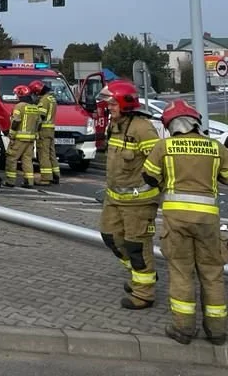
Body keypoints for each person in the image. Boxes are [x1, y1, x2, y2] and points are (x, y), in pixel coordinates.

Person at [142, 100, 228, 345]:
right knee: (212, 272)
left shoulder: (164, 146)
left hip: (176, 221)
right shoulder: (215, 147)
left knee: (181, 272)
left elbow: (149, 176)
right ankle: (216, 331)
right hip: (208, 221)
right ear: (196, 122)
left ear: (170, 125)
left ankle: (183, 329)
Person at [98, 79, 161, 310]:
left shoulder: (142, 129)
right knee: (110, 237)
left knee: (136, 246)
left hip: (139, 202)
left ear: (125, 103)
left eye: (112, 104)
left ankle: (144, 293)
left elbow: (159, 162)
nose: (109, 108)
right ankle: (139, 275)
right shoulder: (115, 125)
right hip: (114, 199)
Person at [4, 84, 41, 188]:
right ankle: (29, 182)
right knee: (27, 160)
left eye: (17, 94)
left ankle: (10, 181)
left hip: (19, 138)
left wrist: (11, 133)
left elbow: (16, 120)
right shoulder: (35, 107)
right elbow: (39, 122)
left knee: (11, 158)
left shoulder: (19, 106)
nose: (16, 97)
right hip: (30, 139)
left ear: (20, 95)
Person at [30, 79, 61, 186]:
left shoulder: (44, 100)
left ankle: (46, 178)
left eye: (34, 93)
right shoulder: (52, 98)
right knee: (51, 153)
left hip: (43, 130)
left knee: (43, 154)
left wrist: (34, 128)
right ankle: (56, 175)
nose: (34, 96)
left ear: (37, 91)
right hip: (51, 130)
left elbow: (41, 116)